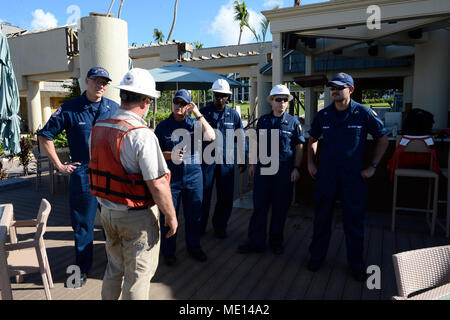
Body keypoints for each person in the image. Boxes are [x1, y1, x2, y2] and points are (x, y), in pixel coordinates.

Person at [88, 68, 177, 300]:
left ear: (123, 95)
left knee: (114, 269)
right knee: (137, 276)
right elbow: (157, 183)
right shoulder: (141, 134)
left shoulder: (99, 128)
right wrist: (171, 215)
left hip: (107, 212)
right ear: (146, 101)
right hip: (135, 217)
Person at [38, 67, 120, 288]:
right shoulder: (70, 108)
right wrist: (59, 166)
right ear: (87, 81)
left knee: (114, 222)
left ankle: (117, 264)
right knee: (83, 225)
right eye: (96, 81)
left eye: (104, 82)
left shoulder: (113, 108)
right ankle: (81, 271)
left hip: (110, 175)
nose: (101, 85)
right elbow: (45, 135)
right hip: (83, 174)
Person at [306, 72, 389, 281]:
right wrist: (310, 162)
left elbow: (383, 139)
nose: (334, 91)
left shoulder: (364, 113)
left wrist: (373, 166)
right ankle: (317, 257)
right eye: (332, 87)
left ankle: (356, 264)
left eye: (339, 87)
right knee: (322, 219)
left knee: (353, 221)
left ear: (350, 90)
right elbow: (313, 139)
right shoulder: (323, 115)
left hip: (353, 178)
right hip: (326, 176)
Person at [238, 84, 304, 255]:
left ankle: (276, 242)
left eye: (284, 100)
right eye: (278, 99)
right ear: (271, 101)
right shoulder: (264, 121)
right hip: (263, 172)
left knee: (280, 208)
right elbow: (256, 143)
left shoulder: (293, 122)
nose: (281, 103)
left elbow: (299, 147)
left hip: (283, 172)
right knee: (260, 208)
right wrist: (252, 164)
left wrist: (296, 168)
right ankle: (256, 242)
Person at [155, 89, 216, 266]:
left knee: (194, 216)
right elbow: (155, 153)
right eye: (176, 102)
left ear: (188, 105)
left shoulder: (195, 124)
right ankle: (168, 251)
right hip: (172, 180)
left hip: (193, 177)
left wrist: (197, 113)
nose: (178, 106)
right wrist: (169, 154)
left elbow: (211, 136)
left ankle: (194, 247)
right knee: (169, 216)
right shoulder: (163, 127)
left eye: (183, 103)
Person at [199, 79, 246, 239]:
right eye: (217, 95)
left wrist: (242, 158)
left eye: (223, 96)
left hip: (226, 162)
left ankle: (220, 226)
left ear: (227, 97)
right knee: (204, 195)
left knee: (225, 197)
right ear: (213, 95)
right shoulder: (203, 113)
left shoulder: (233, 115)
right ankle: (200, 226)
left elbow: (240, 136)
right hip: (206, 162)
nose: (219, 98)